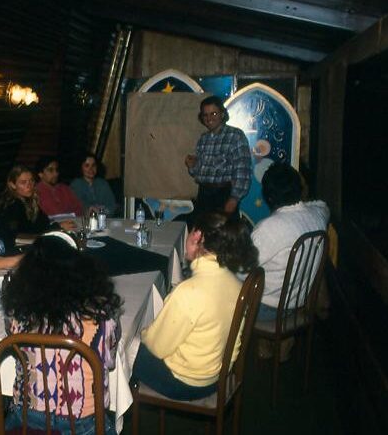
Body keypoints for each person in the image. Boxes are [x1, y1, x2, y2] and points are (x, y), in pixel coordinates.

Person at [0, 232, 122, 434]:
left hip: (27, 419)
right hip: (84, 423)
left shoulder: (16, 316)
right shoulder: (101, 317)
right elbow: (109, 362)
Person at [133, 212, 258, 400]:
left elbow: (157, 347)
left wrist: (143, 332)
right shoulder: (236, 285)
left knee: (125, 346)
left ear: (197, 236)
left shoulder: (189, 292)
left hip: (184, 383)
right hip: (216, 378)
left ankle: (111, 411)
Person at [243, 162, 329, 321]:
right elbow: (320, 204)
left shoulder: (269, 228)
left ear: (268, 197)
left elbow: (242, 270)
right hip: (297, 303)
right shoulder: (319, 214)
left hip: (267, 308)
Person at [184, 95, 252, 222]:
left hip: (224, 196)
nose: (209, 118)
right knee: (202, 233)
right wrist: (192, 166)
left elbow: (243, 172)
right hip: (203, 196)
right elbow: (198, 174)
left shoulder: (235, 136)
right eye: (205, 115)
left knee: (224, 234)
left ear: (222, 114)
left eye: (213, 113)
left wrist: (234, 199)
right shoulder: (203, 139)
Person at [0, 164, 76, 252]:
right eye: (23, 182)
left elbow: (43, 224)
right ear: (13, 185)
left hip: (32, 245)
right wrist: (58, 226)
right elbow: (16, 236)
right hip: (15, 250)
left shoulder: (30, 200)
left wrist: (57, 226)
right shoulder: (11, 205)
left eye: (31, 181)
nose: (29, 185)